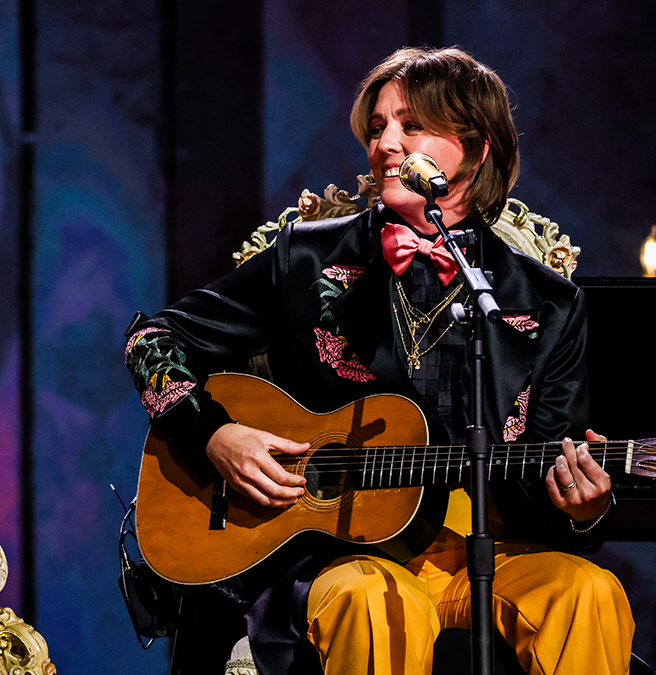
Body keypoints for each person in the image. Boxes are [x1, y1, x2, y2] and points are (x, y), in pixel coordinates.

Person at [124, 47, 634, 675]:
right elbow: (151, 340)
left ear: (476, 149)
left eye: (411, 125)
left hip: (493, 549)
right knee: (373, 603)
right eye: (377, 128)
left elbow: (550, 464)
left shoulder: (549, 304)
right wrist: (214, 435)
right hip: (349, 555)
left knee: (589, 593)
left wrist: (582, 509)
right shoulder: (307, 260)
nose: (387, 143)